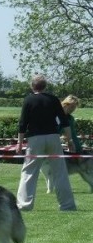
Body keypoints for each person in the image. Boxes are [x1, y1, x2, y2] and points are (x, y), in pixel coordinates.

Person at [15, 75, 77, 211]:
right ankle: (67, 205)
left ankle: (24, 205)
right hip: (53, 137)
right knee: (60, 172)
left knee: (29, 172)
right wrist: (69, 140)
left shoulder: (28, 100)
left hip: (35, 139)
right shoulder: (53, 99)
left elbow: (22, 123)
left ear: (32, 86)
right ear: (45, 86)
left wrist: (19, 143)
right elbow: (64, 122)